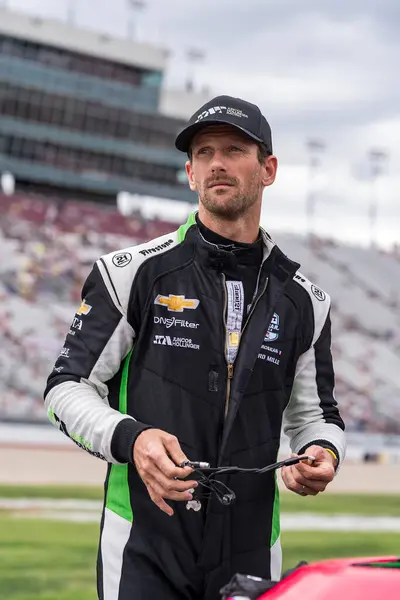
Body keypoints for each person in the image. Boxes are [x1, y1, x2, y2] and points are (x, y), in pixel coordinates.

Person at [44, 95, 346, 600]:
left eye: (233, 149)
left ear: (268, 169)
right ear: (189, 173)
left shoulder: (306, 302)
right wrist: (132, 438)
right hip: (144, 543)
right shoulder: (129, 274)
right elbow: (66, 389)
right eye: (204, 153)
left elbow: (315, 416)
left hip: (252, 547)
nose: (217, 164)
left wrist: (322, 450)